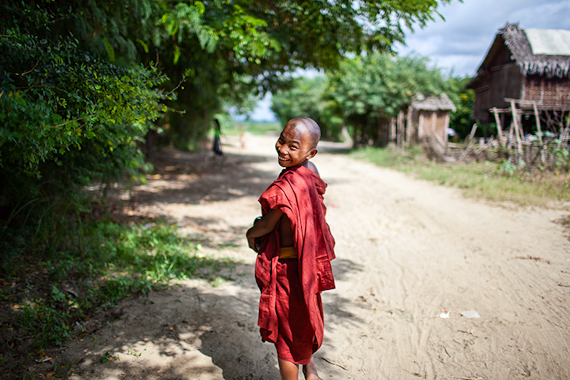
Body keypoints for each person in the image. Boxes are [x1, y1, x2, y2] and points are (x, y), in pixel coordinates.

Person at [246, 117, 336, 380]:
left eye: (293, 146)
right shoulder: (311, 170)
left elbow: (267, 225)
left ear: (310, 152)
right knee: (302, 319)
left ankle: (303, 371)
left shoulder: (287, 185)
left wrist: (251, 234)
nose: (283, 149)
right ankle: (311, 368)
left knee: (286, 336)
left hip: (289, 270)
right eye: (282, 140)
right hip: (308, 265)